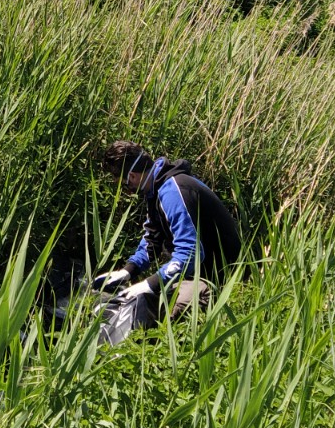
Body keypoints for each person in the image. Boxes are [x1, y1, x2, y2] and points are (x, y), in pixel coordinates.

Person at [93, 141, 240, 344]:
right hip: (192, 273)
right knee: (133, 301)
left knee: (169, 324)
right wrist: (128, 271)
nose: (127, 189)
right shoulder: (157, 190)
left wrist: (147, 284)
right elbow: (151, 240)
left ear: (132, 177)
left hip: (216, 277)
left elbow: (190, 254)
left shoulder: (173, 191)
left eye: (122, 183)